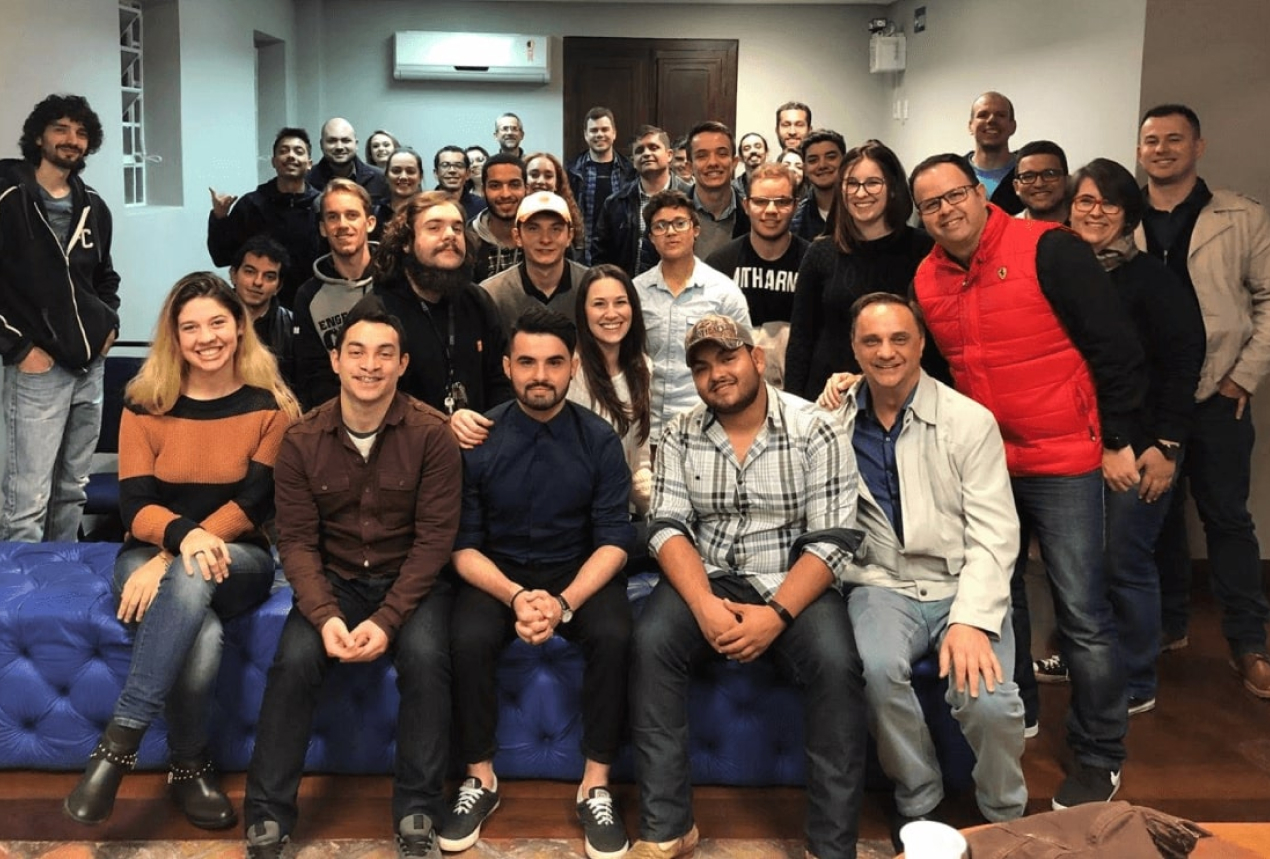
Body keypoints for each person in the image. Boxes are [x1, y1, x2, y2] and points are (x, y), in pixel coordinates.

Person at [909, 152, 1145, 809]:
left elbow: (1116, 347)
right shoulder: (926, 278)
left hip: (1065, 460)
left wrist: (1117, 439)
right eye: (930, 204)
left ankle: (1100, 753)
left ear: (981, 192)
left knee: (1082, 612)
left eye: (956, 194)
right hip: (987, 468)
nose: (946, 210)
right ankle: (1023, 710)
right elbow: (935, 373)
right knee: (1000, 597)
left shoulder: (1049, 248)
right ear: (921, 216)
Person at [63, 272, 297, 830]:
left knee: (194, 570)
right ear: (173, 335)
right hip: (148, 553)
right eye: (190, 327)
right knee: (203, 630)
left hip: (241, 559)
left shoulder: (272, 407)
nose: (206, 337)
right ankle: (189, 767)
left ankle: (118, 744)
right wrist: (180, 544)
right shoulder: (145, 404)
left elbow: (252, 504)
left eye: (217, 322)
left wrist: (175, 554)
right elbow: (135, 506)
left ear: (239, 327)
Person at [629, 314, 866, 859]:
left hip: (791, 578)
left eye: (727, 357)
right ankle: (668, 828)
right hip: (708, 575)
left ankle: (831, 847)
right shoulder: (679, 432)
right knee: (651, 644)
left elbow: (832, 539)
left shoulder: (816, 427)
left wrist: (776, 616)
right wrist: (703, 605)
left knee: (836, 665)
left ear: (756, 359)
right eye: (701, 367)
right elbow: (667, 527)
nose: (716, 373)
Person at [242, 295, 462, 859]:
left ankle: (417, 808)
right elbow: (295, 541)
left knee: (428, 659)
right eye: (357, 352)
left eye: (384, 354)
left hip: (410, 582)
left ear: (402, 364)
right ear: (336, 360)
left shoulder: (433, 434)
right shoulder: (301, 439)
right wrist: (323, 615)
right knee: (293, 662)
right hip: (334, 579)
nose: (370, 365)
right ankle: (267, 815)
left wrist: (387, 620)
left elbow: (434, 542)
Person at [830, 293, 1026, 850]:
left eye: (899, 339)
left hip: (960, 582)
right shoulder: (832, 422)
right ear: (853, 350)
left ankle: (1004, 812)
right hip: (881, 583)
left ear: (921, 344)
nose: (886, 352)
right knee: (875, 670)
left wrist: (972, 620)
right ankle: (919, 798)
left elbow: (995, 533)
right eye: (871, 341)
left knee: (988, 700)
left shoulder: (969, 422)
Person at [441, 307, 634, 859]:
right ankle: (480, 777)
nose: (540, 375)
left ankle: (595, 784)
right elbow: (462, 547)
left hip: (578, 574)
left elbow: (615, 542)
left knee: (617, 634)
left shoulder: (600, 440)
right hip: (497, 575)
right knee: (467, 636)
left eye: (553, 363)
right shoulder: (479, 440)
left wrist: (563, 602)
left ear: (573, 366)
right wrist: (516, 596)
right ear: (507, 366)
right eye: (526, 362)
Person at [1029, 158, 1203, 715]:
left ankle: (1135, 678)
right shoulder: (1056, 272)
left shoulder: (1151, 277)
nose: (1095, 212)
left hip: (1143, 445)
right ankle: (1081, 659)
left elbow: (1183, 361)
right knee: (1078, 565)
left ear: (1128, 215)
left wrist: (1166, 445)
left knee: (1124, 561)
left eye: (1109, 203)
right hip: (1077, 443)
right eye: (1085, 200)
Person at [1136, 103, 1270, 697]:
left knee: (1226, 518)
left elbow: (1269, 299)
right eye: (1151, 140)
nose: (1161, 149)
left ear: (1198, 147)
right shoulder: (1121, 215)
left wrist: (1243, 377)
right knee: (1156, 517)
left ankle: (1249, 643)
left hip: (1219, 393)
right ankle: (1168, 625)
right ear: (1139, 150)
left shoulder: (1241, 216)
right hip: (1148, 397)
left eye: (1174, 139)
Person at [0, 93, 121, 542]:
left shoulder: (94, 206)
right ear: (39, 137)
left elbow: (105, 277)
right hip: (37, 370)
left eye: (81, 132)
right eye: (61, 129)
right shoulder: (8, 198)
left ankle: (62, 579)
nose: (72, 139)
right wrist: (18, 349)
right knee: (26, 502)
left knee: (72, 492)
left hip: (89, 368)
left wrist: (109, 326)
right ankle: (21, 589)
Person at [785, 140, 933, 401]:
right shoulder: (820, 252)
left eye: (873, 183)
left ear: (893, 188)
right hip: (828, 398)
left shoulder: (923, 250)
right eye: (851, 183)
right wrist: (793, 406)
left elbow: (932, 338)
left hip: (902, 396)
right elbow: (801, 340)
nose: (861, 193)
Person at [373, 190, 511, 448]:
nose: (450, 235)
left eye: (457, 228)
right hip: (407, 452)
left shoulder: (477, 300)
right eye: (434, 227)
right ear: (406, 242)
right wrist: (441, 424)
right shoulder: (378, 314)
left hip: (482, 445)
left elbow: (501, 377)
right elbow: (373, 397)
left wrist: (487, 428)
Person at [632, 189, 751, 443]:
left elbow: (745, 361)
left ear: (695, 230)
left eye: (679, 223)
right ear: (651, 237)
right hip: (647, 431)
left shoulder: (724, 292)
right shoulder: (635, 292)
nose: (670, 232)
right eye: (660, 226)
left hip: (706, 429)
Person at [705, 163, 809, 388]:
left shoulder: (812, 262)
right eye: (761, 201)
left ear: (795, 206)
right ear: (746, 205)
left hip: (797, 390)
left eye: (782, 202)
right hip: (735, 387)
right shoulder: (720, 264)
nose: (771, 210)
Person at [568, 264, 653, 517]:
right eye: (599, 304)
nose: (611, 313)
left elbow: (639, 460)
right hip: (576, 514)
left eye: (620, 302)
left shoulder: (643, 367)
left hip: (622, 513)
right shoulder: (571, 372)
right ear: (583, 312)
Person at [208, 127, 321, 309]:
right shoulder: (251, 205)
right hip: (258, 307)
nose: (291, 156)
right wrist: (220, 218)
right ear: (274, 162)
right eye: (284, 151)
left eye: (298, 151)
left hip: (312, 304)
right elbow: (221, 257)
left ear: (309, 164)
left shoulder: (321, 207)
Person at [292, 178, 377, 411]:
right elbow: (310, 375)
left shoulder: (398, 281)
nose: (342, 225)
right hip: (339, 415)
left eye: (352, 215)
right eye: (332, 217)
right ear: (323, 228)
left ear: (370, 223)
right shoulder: (308, 296)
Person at [480, 191, 588, 333]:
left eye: (556, 229)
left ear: (569, 236)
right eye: (533, 229)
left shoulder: (591, 287)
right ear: (517, 236)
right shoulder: (492, 294)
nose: (545, 239)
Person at [594, 125, 691, 277]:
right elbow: (600, 257)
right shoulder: (615, 203)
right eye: (640, 150)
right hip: (628, 287)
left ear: (669, 155)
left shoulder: (690, 197)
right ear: (633, 161)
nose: (646, 154)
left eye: (653, 147)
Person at [567, 106, 636, 264]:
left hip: (621, 256)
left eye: (605, 129)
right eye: (594, 130)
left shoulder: (631, 172)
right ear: (586, 135)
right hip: (582, 256)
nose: (599, 134)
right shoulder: (571, 171)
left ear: (614, 133)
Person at [228, 235, 295, 389]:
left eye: (269, 277)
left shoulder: (292, 326)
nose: (258, 282)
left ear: (279, 286)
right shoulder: (212, 321)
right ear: (233, 275)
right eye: (250, 272)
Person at [685, 121, 750, 261]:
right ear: (689, 167)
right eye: (702, 156)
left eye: (722, 154)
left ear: (734, 162)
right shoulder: (668, 215)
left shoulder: (752, 216)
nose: (713, 163)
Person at [468, 152, 527, 283]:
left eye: (514, 184)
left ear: (526, 189)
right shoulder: (467, 241)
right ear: (483, 191)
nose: (505, 194)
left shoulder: (542, 236)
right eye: (495, 186)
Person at [965, 92, 1023, 215]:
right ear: (970, 126)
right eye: (982, 115)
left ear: (1013, 126)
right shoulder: (956, 173)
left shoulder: (1028, 173)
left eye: (1001, 115)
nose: (991, 120)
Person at [307, 117, 389, 204]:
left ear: (356, 144)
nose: (339, 147)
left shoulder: (380, 179)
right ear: (321, 144)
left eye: (346, 141)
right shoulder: (307, 180)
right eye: (332, 141)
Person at [524, 151, 586, 256]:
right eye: (534, 175)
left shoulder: (568, 218)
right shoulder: (511, 216)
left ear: (556, 183)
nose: (541, 181)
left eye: (548, 176)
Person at [791, 129, 846, 241]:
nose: (822, 165)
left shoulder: (861, 207)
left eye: (831, 157)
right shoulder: (796, 221)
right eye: (813, 160)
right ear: (805, 169)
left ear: (845, 161)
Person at [1012, 140, 1069, 223]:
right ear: (1016, 187)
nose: (1039, 184)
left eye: (1049, 174)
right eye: (1028, 176)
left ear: (1067, 181)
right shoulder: (1004, 229)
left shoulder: (1084, 227)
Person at [375, 147, 424, 233]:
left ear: (420, 177)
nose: (403, 177)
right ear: (386, 176)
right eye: (396, 171)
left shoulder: (430, 213)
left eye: (410, 171)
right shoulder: (375, 214)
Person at [433, 145, 486, 221]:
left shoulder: (482, 207)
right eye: (445, 165)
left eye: (459, 165)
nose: (452, 170)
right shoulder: (425, 205)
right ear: (436, 173)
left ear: (468, 174)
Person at [736, 131, 769, 198]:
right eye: (747, 148)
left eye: (758, 146)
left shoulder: (777, 183)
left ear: (766, 152)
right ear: (741, 156)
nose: (753, 151)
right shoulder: (733, 189)